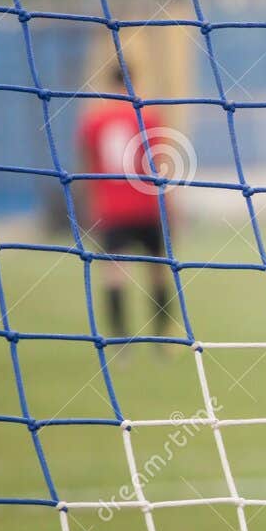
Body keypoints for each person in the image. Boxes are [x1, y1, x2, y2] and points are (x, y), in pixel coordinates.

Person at [76, 58, 178, 345]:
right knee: (158, 270)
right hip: (147, 206)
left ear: (108, 84)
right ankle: (163, 337)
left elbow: (87, 165)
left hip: (112, 209)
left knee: (114, 274)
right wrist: (171, 207)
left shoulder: (93, 121)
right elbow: (158, 164)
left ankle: (120, 341)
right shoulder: (148, 116)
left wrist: (89, 205)